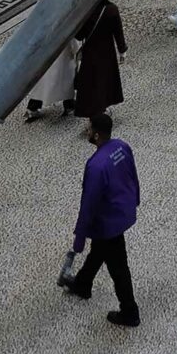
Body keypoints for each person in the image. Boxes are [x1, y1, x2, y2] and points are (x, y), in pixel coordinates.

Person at [63, 113, 140, 328]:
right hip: (122, 211)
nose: (86, 131)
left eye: (88, 128)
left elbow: (88, 205)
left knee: (118, 267)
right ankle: (82, 284)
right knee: (99, 250)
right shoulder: (121, 147)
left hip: (108, 223)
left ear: (96, 135)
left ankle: (130, 311)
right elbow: (132, 174)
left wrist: (79, 239)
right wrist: (136, 199)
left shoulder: (96, 166)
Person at [26, 0, 78, 119]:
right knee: (66, 79)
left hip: (43, 51)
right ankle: (69, 105)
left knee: (42, 81)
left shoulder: (40, 5)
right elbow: (70, 30)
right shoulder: (66, 6)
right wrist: (75, 47)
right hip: (62, 50)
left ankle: (33, 107)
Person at [73, 0, 127, 121]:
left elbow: (79, 36)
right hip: (107, 52)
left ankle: (93, 112)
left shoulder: (86, 11)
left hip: (90, 53)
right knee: (105, 81)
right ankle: (102, 108)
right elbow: (118, 32)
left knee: (91, 82)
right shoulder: (111, 9)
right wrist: (122, 50)